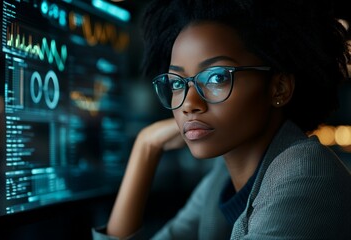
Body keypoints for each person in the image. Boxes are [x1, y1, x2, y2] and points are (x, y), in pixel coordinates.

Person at [93, 0, 351, 239]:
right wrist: (145, 148)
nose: (189, 104)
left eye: (217, 78)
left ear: (279, 88)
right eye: (176, 83)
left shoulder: (307, 176)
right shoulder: (221, 180)